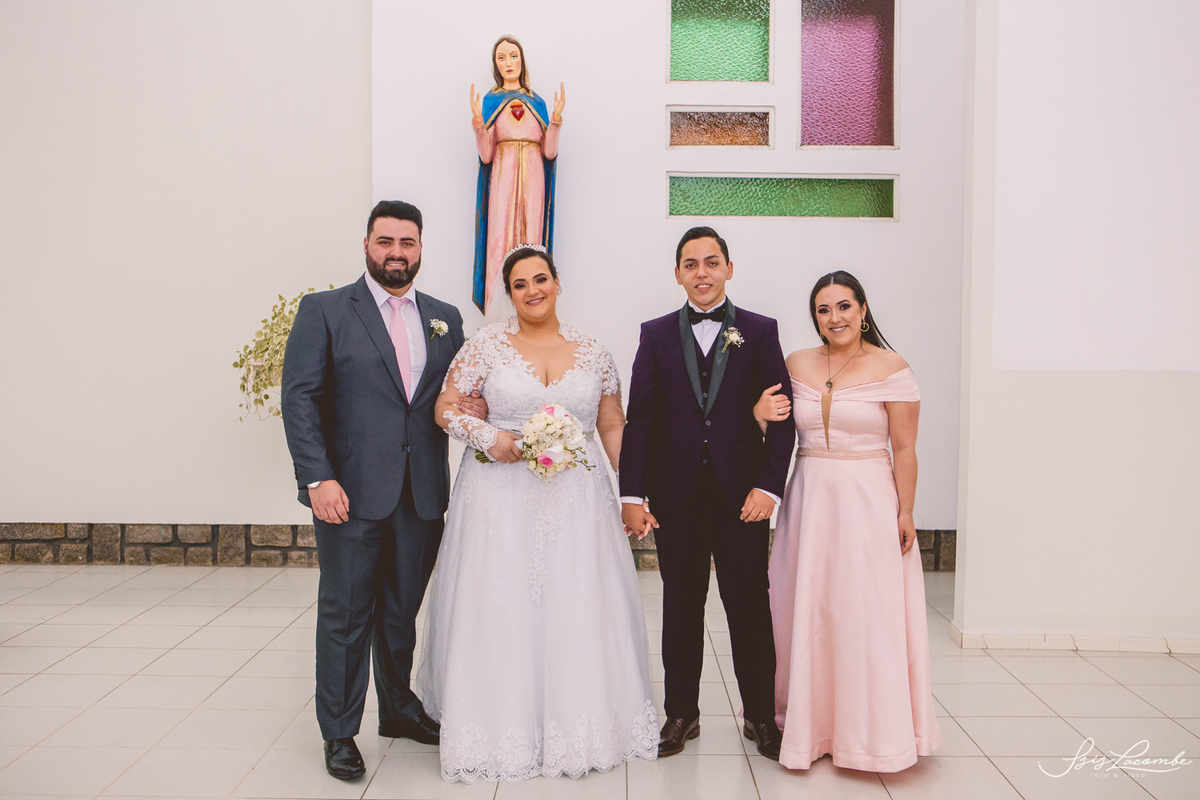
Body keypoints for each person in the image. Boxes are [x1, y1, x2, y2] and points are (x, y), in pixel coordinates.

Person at [416, 245, 657, 783]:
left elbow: (611, 424)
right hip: (499, 496)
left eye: (540, 279)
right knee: (502, 600)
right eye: (520, 284)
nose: (532, 291)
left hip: (578, 498)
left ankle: (580, 722)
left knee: (577, 599)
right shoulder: (485, 346)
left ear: (557, 282)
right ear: (510, 293)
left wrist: (633, 492)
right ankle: (499, 723)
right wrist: (490, 437)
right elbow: (445, 407)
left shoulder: (593, 351)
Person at [281, 201, 486, 780]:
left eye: (407, 242)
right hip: (347, 494)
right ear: (367, 245)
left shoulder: (445, 317)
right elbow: (300, 398)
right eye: (386, 241)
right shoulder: (324, 310)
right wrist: (317, 478)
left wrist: (475, 408)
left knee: (401, 613)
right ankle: (339, 731)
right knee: (346, 614)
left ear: (420, 248)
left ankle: (397, 709)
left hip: (421, 494)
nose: (397, 252)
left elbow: (450, 398)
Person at [754, 270, 942, 772]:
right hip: (809, 500)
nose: (834, 317)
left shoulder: (891, 366)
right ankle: (811, 726)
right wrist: (757, 411)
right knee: (808, 610)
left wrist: (905, 510)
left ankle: (869, 733)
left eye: (843, 307)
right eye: (823, 309)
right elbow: (771, 427)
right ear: (815, 318)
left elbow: (905, 447)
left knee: (863, 612)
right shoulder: (796, 363)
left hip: (867, 500)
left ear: (862, 310)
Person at [619, 227, 794, 760]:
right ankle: (681, 714)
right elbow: (640, 420)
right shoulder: (654, 335)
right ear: (677, 274)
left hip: (742, 497)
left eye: (712, 262)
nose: (702, 272)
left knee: (749, 607)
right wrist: (632, 495)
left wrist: (769, 486)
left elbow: (782, 417)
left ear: (729, 269)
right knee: (680, 607)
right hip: (676, 495)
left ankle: (760, 717)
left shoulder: (760, 331)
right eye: (691, 264)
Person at [470, 34, 566, 323]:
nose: (508, 62)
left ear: (522, 60)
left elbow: (549, 152)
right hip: (503, 175)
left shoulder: (537, 102)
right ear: (495, 64)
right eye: (501, 57)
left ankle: (532, 311)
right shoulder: (490, 101)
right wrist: (478, 124)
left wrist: (556, 120)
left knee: (531, 239)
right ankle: (498, 319)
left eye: (513, 56)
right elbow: (486, 155)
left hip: (534, 178)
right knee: (499, 238)